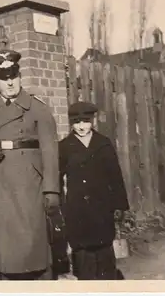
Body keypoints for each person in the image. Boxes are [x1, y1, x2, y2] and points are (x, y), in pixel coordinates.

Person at [0, 49, 61, 280]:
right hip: (0, 183)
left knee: (35, 243)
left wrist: (51, 190)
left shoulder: (38, 108)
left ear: (19, 76)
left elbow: (50, 151)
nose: (9, 83)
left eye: (13, 76)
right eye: (3, 78)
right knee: (6, 249)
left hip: (31, 182)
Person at [58, 101, 130, 280]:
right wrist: (59, 206)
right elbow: (57, 177)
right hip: (77, 211)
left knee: (104, 252)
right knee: (83, 258)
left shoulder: (103, 144)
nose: (81, 126)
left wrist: (119, 205)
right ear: (71, 123)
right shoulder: (65, 146)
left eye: (85, 121)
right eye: (77, 122)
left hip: (101, 208)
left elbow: (115, 176)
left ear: (93, 121)